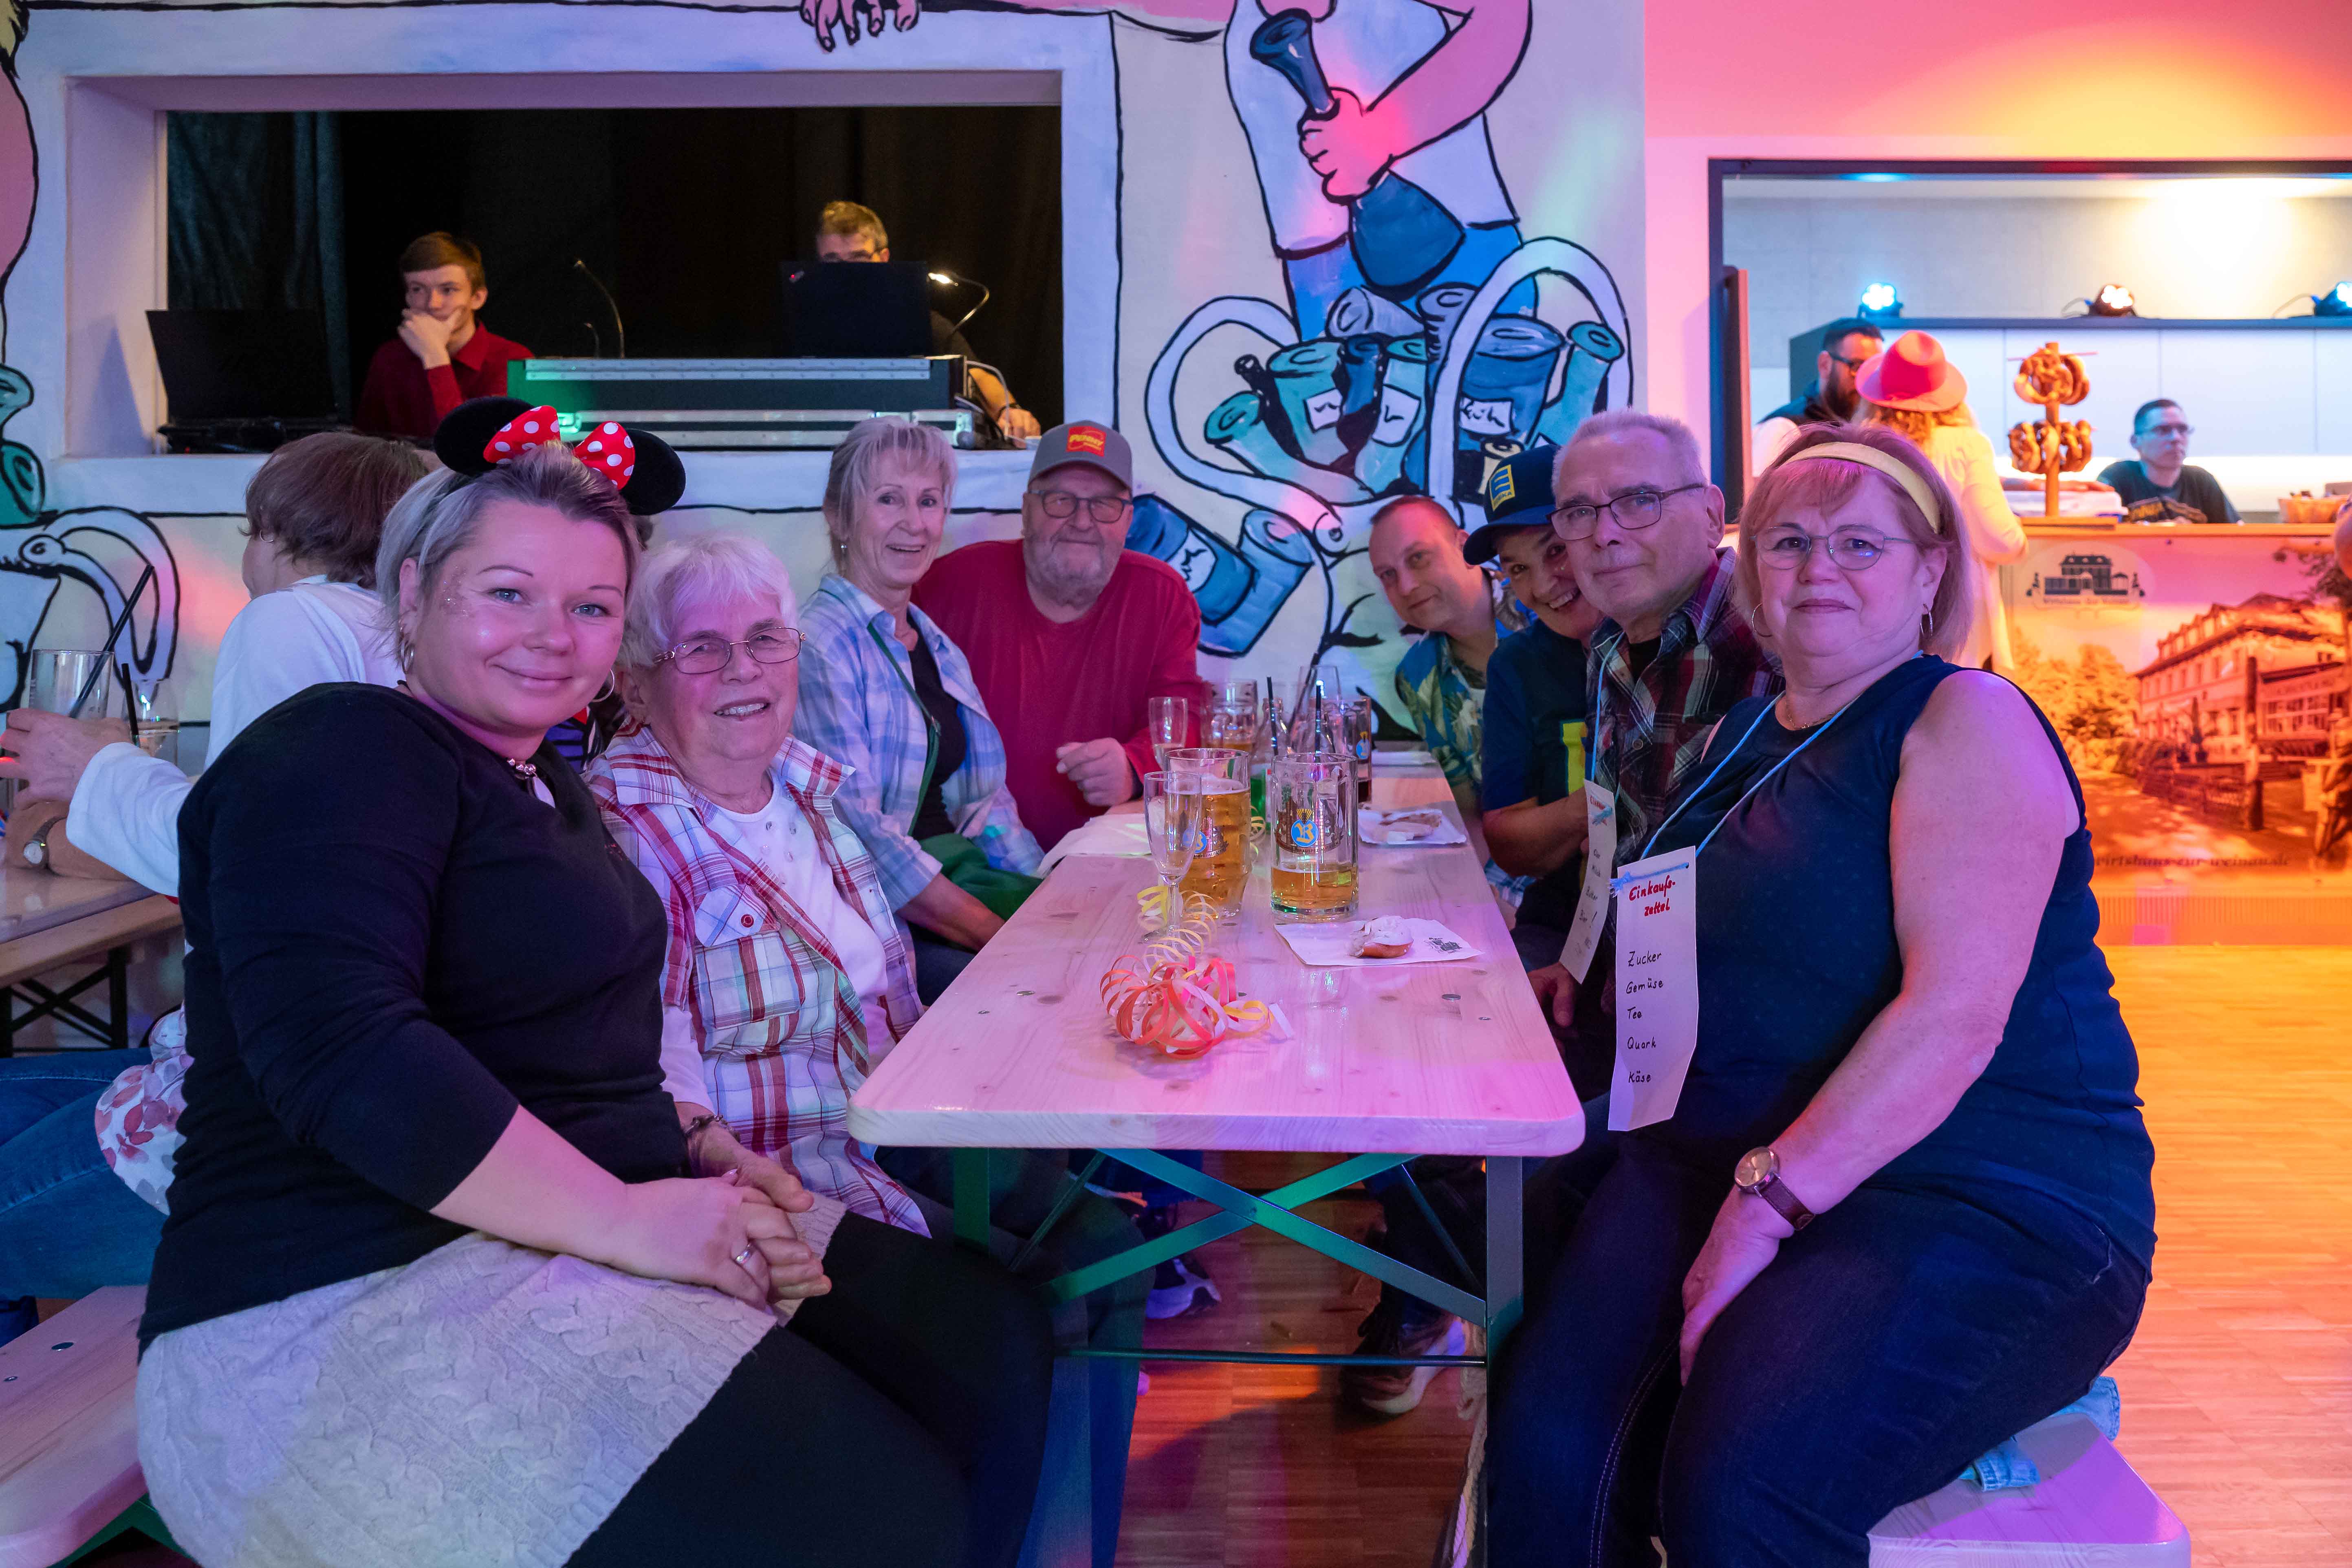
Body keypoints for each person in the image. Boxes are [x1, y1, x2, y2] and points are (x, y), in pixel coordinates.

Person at [137, 422, 1053, 1568]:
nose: (551, 635)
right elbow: (344, 1052)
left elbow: (562, 1048)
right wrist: (628, 1218)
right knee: (877, 1516)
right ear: (412, 591)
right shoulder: (340, 744)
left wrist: (702, 1145)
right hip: (343, 1287)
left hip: (577, 1216)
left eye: (590, 606)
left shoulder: (548, 793)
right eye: (508, 593)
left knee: (987, 1341)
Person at [1489, 423, 2155, 1567]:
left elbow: (1950, 1021)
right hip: (1720, 1152)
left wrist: (1759, 1207)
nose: (1818, 568)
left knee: (1739, 1489)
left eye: (1859, 543)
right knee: (1547, 1460)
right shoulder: (1744, 731)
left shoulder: (1962, 719)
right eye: (1789, 542)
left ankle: (1999, 1413)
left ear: (1930, 569)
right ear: (1750, 571)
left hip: (1966, 1186)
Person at [0, 433, 429, 1341]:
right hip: (343, 1091)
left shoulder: (291, 620)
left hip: (261, 1110)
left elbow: (248, 858)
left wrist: (93, 767)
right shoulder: (403, 637)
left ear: (276, 536)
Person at [1527, 410, 1779, 1048]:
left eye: (1639, 500)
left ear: (1711, 514)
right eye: (1579, 513)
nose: (1604, 534)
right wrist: (1581, 963)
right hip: (1631, 1014)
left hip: (1740, 1033)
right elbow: (1614, 832)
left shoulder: (1779, 639)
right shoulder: (1608, 647)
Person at [794, 417, 1044, 1005]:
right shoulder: (817, 645)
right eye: (889, 499)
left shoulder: (935, 643)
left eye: (928, 501)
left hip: (954, 890)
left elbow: (987, 805)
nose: (915, 522)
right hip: (882, 923)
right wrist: (1001, 936)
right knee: (1029, 996)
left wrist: (1045, 894)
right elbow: (863, 842)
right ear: (838, 516)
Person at [913, 420, 1207, 852]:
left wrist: (1134, 765)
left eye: (1104, 504)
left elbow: (1187, 718)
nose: (1082, 521)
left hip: (1111, 862)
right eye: (1060, 500)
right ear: (1027, 510)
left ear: (1128, 519)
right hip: (972, 864)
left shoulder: (1163, 596)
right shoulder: (950, 585)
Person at [1469, 443, 1603, 977]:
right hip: (1557, 927)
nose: (1543, 586)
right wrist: (1604, 806)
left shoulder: (1663, 640)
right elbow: (1507, 840)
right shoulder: (1517, 664)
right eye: (1518, 568)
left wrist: (1554, 824)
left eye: (1556, 551)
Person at [1368, 493, 1526, 883]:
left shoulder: (1544, 606)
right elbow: (1470, 813)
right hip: (1513, 877)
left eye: (1418, 558)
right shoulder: (1416, 677)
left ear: (1464, 547)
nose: (1406, 586)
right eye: (1388, 575)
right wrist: (1481, 895)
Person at [1857, 330, 2027, 670]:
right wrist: (2020, 536)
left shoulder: (1861, 446)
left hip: (1873, 603)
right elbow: (1998, 539)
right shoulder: (1967, 445)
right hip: (1952, 611)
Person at [814, 201, 1042, 442]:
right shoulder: (799, 326)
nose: (846, 273)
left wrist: (1009, 410)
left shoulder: (918, 320)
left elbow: (976, 373)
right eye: (832, 261)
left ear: (884, 258)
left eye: (858, 258)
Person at [354, 232, 533, 441]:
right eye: (418, 290)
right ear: (408, 298)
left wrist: (435, 357)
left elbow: (467, 447)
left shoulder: (513, 359)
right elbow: (366, 444)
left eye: (448, 290)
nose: (433, 304)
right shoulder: (389, 357)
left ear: (477, 298)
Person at [1752, 317, 1883, 475]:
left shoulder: (1867, 427)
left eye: (1874, 370)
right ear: (1825, 365)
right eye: (1857, 367)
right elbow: (1753, 490)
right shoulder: (1782, 430)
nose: (1866, 381)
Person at [2097, 399, 2241, 525]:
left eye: (2182, 429)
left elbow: (2238, 537)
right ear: (2135, 441)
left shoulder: (2201, 481)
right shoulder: (2117, 477)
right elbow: (2097, 537)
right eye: (2162, 430)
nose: (2176, 438)